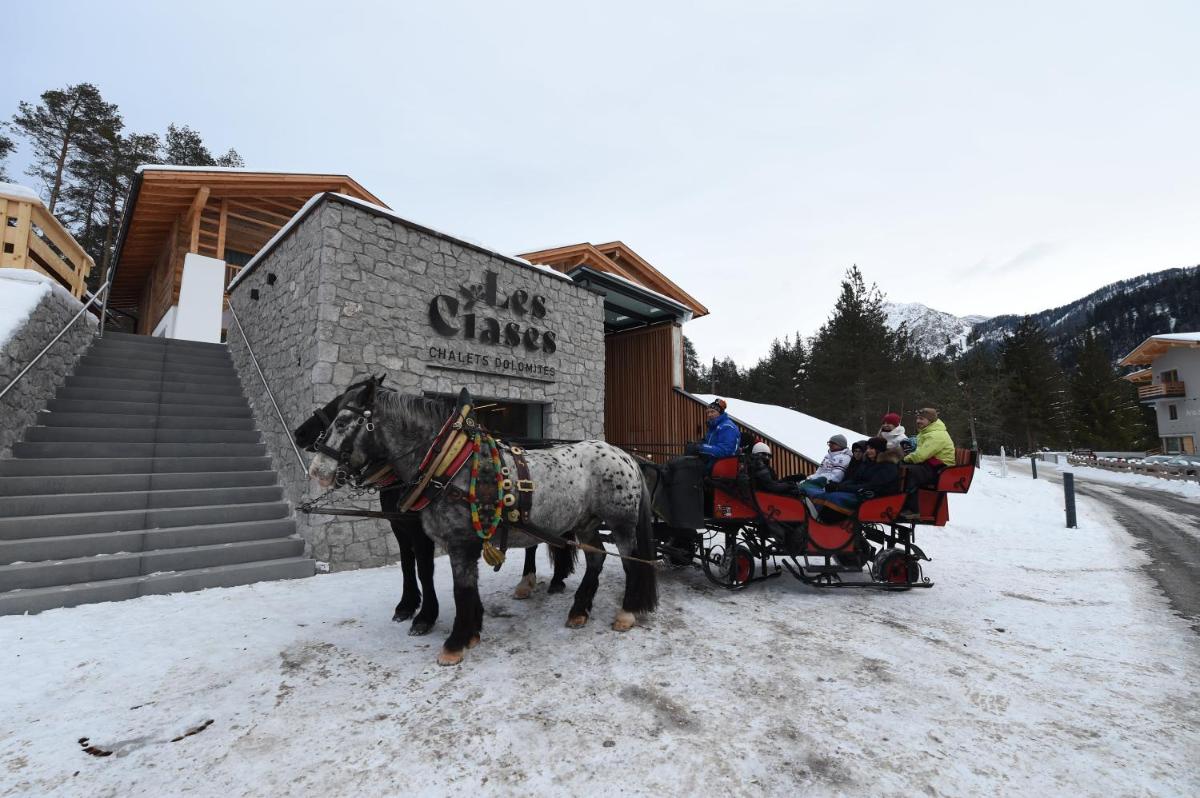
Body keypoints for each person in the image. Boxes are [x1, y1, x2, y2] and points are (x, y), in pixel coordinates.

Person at [899, 407, 956, 519]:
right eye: (918, 418)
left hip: (940, 469)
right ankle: (898, 502)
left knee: (909, 472)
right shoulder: (926, 432)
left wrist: (904, 459)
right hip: (930, 464)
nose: (918, 421)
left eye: (922, 419)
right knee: (900, 468)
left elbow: (921, 455)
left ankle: (913, 509)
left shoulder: (936, 435)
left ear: (930, 420)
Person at [821, 437, 902, 512]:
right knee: (828, 494)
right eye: (867, 448)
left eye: (871, 448)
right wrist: (838, 486)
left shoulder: (888, 466)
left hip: (876, 498)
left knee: (833, 497)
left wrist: (840, 488)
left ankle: (828, 520)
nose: (868, 451)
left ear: (879, 450)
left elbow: (871, 486)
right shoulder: (867, 462)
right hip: (862, 493)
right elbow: (855, 479)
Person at [686, 398, 740, 462]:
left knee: (683, 465)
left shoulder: (727, 427)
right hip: (711, 461)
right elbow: (708, 443)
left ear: (720, 412)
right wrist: (697, 444)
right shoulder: (714, 427)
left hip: (722, 463)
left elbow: (725, 451)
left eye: (712, 412)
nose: (709, 415)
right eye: (708, 412)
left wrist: (701, 448)